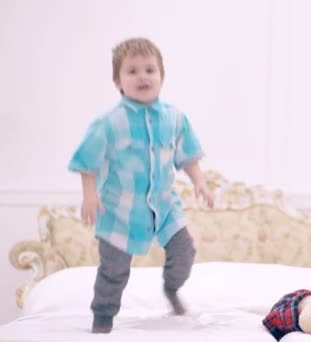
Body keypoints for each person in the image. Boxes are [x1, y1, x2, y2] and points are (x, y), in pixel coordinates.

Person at [68, 37, 214, 334]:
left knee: (185, 251)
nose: (142, 76)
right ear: (118, 81)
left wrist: (200, 181)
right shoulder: (109, 122)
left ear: (162, 77)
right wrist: (89, 195)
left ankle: (172, 289)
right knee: (113, 271)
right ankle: (103, 317)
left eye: (150, 70)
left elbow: (187, 153)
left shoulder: (174, 118)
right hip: (120, 212)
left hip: (164, 207)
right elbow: (87, 160)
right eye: (132, 71)